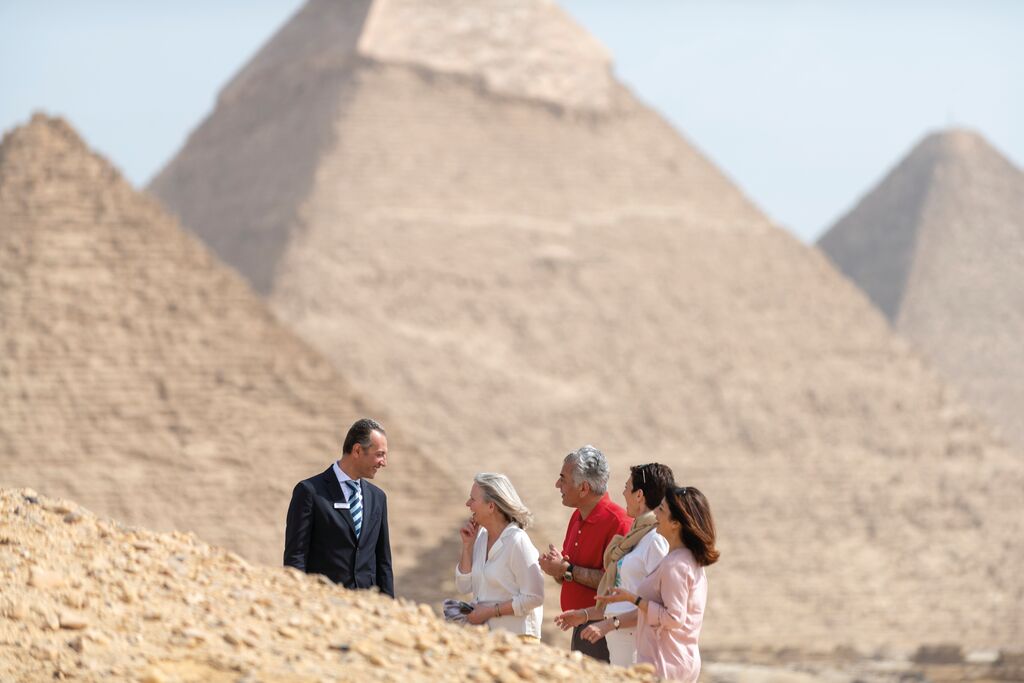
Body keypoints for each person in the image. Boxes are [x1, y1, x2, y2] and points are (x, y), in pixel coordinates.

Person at [596, 486, 719, 683]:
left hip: (665, 662)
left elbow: (673, 617)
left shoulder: (676, 564)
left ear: (675, 523)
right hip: (678, 659)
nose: (654, 514)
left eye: (661, 510)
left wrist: (633, 599)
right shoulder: (689, 559)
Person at [556, 463, 673, 666]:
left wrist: (612, 624)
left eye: (627, 487)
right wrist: (584, 615)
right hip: (620, 644)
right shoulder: (636, 537)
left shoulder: (655, 540)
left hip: (639, 647)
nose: (623, 493)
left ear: (639, 495)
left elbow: (660, 608)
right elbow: (623, 598)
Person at [283, 418, 394, 597]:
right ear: (357, 450)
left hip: (367, 608)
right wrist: (299, 600)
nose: (384, 462)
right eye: (380, 454)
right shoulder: (309, 492)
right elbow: (296, 557)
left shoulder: (378, 498)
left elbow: (383, 562)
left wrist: (390, 610)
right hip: (323, 603)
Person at [540, 445, 631, 662]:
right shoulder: (577, 516)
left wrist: (567, 570)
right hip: (580, 626)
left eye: (563, 479)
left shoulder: (618, 523)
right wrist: (558, 569)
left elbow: (616, 584)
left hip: (605, 631)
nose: (557, 485)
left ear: (583, 488)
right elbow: (566, 576)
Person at [455, 473, 544, 638]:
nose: (468, 504)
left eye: (472, 499)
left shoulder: (517, 540)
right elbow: (463, 587)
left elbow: (535, 597)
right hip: (489, 638)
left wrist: (489, 612)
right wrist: (467, 547)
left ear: (491, 507)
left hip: (520, 639)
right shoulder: (481, 538)